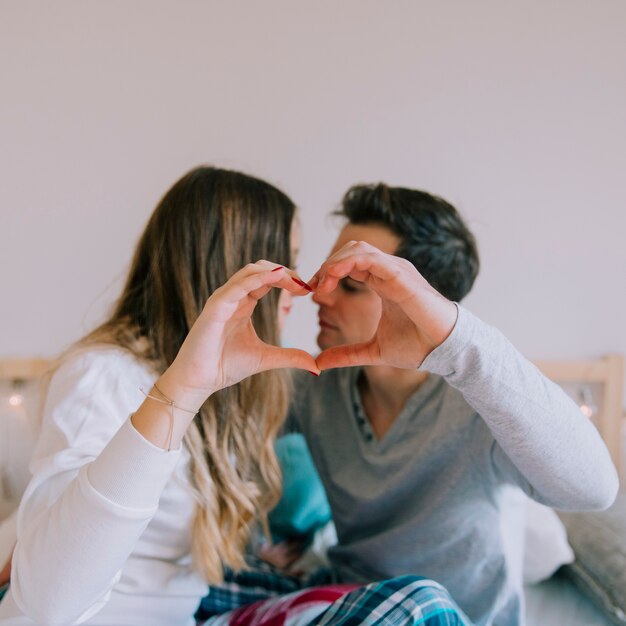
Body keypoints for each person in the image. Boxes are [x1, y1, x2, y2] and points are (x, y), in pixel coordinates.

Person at [0, 168, 471, 626]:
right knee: (418, 606)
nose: (305, 292)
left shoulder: (248, 392)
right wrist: (182, 389)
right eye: (288, 264)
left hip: (191, 608)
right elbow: (49, 601)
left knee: (361, 589)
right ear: (233, 273)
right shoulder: (104, 376)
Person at [223, 183, 619, 626]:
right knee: (209, 577)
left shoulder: (483, 402)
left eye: (351, 284)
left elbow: (595, 490)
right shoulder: (319, 389)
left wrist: (458, 341)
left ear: (417, 299)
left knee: (419, 601)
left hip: (439, 615)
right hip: (354, 605)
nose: (320, 295)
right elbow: (215, 440)